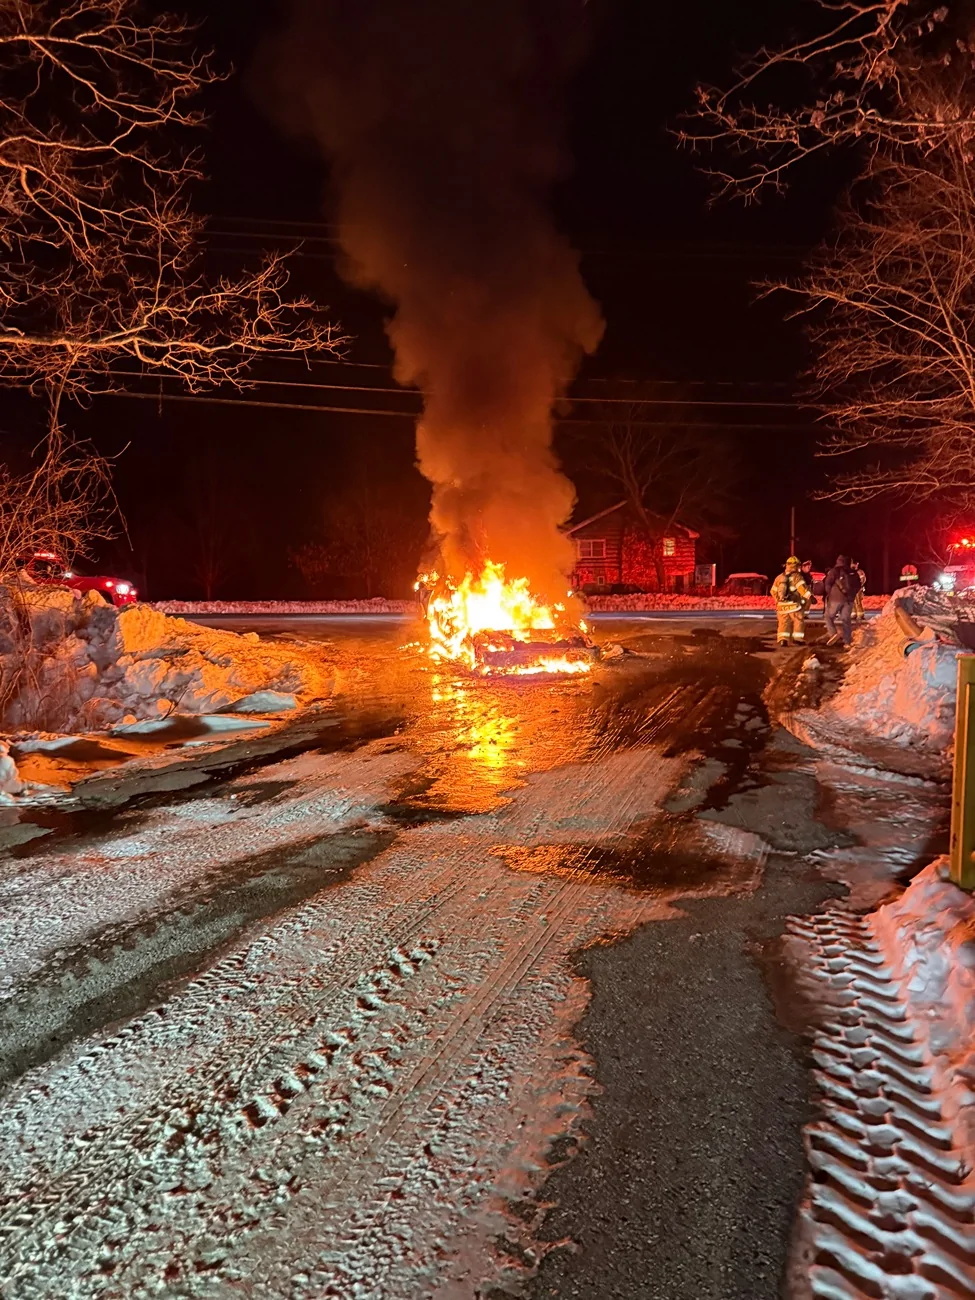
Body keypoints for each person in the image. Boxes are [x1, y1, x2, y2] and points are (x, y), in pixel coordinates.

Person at [771, 555, 812, 647]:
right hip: (794, 605)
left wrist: (778, 601)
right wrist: (810, 597)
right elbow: (802, 589)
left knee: (783, 623)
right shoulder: (797, 577)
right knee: (798, 620)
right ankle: (797, 638)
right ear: (797, 566)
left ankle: (783, 639)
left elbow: (773, 591)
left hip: (782, 606)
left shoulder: (779, 577)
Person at [824, 554, 861, 648]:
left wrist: (830, 594)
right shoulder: (853, 572)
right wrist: (852, 595)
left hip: (836, 599)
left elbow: (827, 583)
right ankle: (847, 641)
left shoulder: (834, 571)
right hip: (849, 600)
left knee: (828, 616)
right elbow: (858, 585)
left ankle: (833, 634)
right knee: (846, 620)